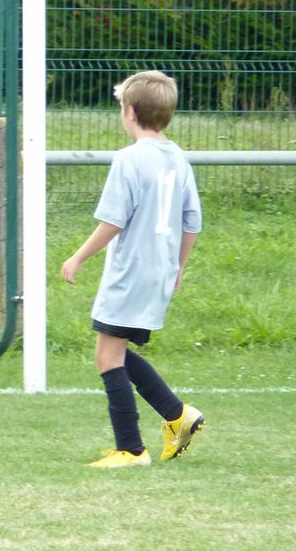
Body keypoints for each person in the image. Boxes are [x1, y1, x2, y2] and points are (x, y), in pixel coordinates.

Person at [61, 70, 205, 468]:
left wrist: (78, 257)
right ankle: (177, 415)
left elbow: (114, 220)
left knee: (107, 357)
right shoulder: (179, 158)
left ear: (129, 112)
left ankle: (131, 449)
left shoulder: (128, 159)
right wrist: (178, 266)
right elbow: (192, 221)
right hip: (158, 270)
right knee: (113, 351)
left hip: (130, 271)